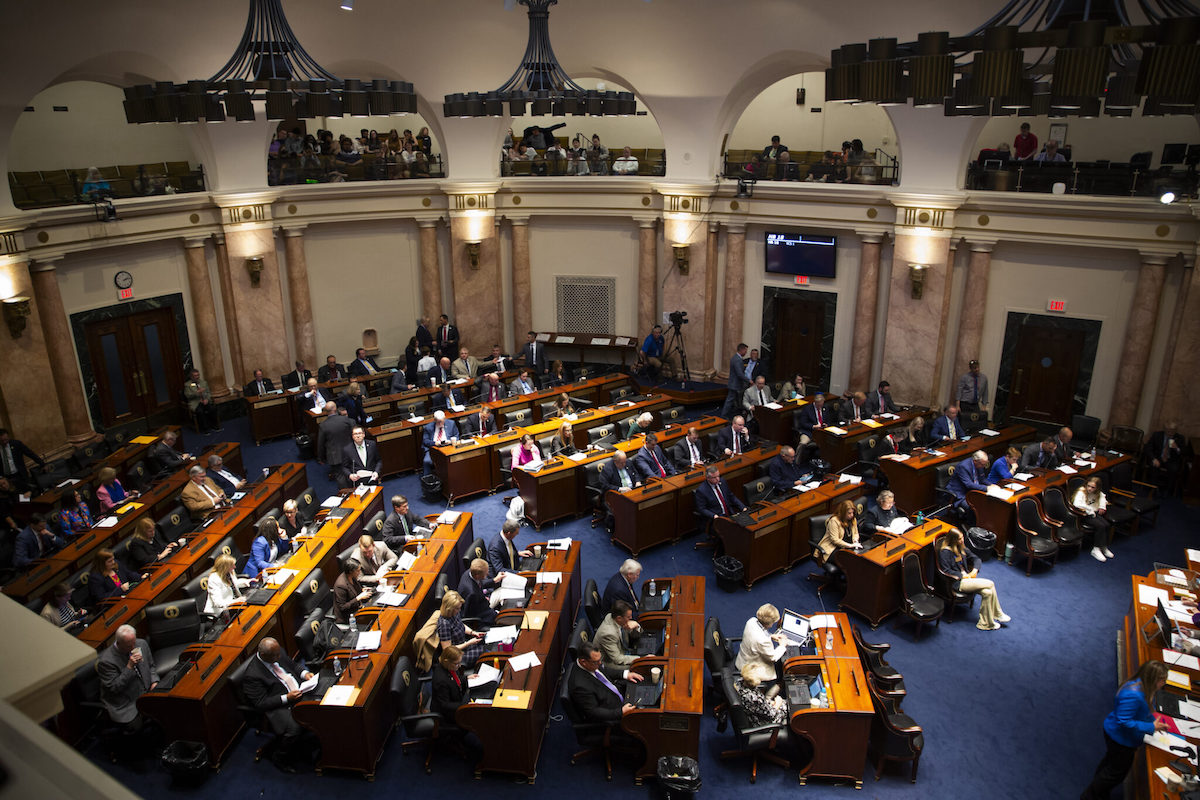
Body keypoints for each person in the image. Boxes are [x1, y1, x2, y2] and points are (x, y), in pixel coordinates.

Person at [1079, 659, 1169, 800]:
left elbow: (1140, 712)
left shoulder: (1141, 685)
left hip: (1119, 736)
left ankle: (1099, 793)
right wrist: (1151, 727)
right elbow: (1123, 720)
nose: (1164, 684)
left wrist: (1153, 722)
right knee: (1114, 774)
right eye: (1162, 680)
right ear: (1153, 679)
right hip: (1120, 739)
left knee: (1110, 766)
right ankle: (1090, 796)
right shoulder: (1134, 695)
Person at [241, 637, 317, 773]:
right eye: (275, 656)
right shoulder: (252, 675)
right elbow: (260, 703)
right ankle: (280, 757)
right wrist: (286, 698)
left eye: (278, 653)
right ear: (263, 655)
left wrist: (305, 674)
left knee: (319, 702)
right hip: (278, 705)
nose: (279, 656)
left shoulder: (277, 652)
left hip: (298, 690)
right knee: (294, 727)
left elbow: (292, 665)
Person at [937, 528, 1009, 630]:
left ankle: (984, 623)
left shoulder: (961, 548)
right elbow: (946, 570)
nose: (962, 540)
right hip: (957, 582)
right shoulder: (945, 552)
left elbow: (976, 559)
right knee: (990, 583)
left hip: (968, 579)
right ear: (953, 539)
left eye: (962, 538)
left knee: (987, 593)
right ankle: (997, 614)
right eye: (959, 539)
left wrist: (974, 570)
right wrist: (962, 576)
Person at [96, 625, 158, 729]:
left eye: (134, 642)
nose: (134, 647)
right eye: (129, 645)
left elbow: (151, 666)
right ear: (119, 643)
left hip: (147, 691)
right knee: (137, 727)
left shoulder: (141, 643)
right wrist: (129, 667)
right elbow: (115, 688)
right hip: (126, 701)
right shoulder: (106, 662)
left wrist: (154, 682)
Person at [568, 642, 644, 723]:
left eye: (600, 659)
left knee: (642, 684)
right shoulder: (580, 686)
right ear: (583, 662)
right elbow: (594, 712)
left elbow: (605, 670)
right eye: (596, 662)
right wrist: (621, 712)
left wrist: (625, 674)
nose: (600, 663)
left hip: (616, 693)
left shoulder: (592, 662)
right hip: (613, 711)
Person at [734, 603, 787, 674]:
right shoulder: (763, 641)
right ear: (769, 624)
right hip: (750, 670)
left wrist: (770, 636)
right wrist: (782, 645)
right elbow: (773, 658)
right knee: (780, 670)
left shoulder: (751, 621)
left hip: (742, 661)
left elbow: (758, 632)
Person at [436, 590, 486, 666]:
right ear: (449, 609)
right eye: (457, 608)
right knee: (485, 651)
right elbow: (448, 650)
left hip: (464, 644)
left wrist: (473, 632)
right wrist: (468, 643)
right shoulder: (444, 625)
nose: (459, 610)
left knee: (486, 640)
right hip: (457, 656)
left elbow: (461, 625)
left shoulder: (454, 613)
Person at [1074, 476, 1117, 563]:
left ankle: (1103, 546)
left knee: (1107, 525)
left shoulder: (1098, 493)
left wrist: (1102, 506)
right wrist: (1089, 510)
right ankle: (1096, 549)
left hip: (1093, 514)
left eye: (1092, 487)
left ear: (1097, 488)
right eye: (1088, 486)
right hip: (1084, 515)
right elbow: (1077, 504)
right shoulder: (1081, 492)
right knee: (1100, 526)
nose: (1089, 489)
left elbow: (1102, 497)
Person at [816, 499, 860, 578]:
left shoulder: (853, 520)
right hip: (832, 549)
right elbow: (835, 540)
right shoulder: (834, 521)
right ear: (843, 512)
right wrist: (850, 545)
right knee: (849, 562)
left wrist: (855, 539)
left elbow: (856, 533)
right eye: (849, 513)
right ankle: (848, 583)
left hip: (847, 546)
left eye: (853, 513)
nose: (852, 515)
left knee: (859, 559)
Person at [1143, 421, 1188, 494]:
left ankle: (1168, 491)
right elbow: (1148, 448)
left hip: (1171, 460)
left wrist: (1177, 448)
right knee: (1153, 466)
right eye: (1168, 431)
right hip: (1158, 458)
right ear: (1164, 430)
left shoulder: (1180, 438)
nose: (1170, 433)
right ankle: (1152, 489)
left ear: (1176, 430)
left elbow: (1185, 452)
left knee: (1174, 469)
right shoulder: (1157, 435)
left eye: (1173, 431)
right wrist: (1153, 459)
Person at [595, 600, 643, 668]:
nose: (631, 618)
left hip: (622, 650)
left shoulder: (614, 618)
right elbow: (618, 659)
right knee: (637, 667)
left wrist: (637, 626)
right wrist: (641, 659)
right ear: (619, 618)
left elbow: (633, 633)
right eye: (628, 617)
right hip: (608, 663)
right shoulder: (608, 634)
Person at [431, 645, 471, 721]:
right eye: (457, 664)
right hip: (447, 714)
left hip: (458, 698)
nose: (459, 666)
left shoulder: (450, 667)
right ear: (446, 661)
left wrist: (466, 678)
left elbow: (457, 679)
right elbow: (445, 705)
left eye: (460, 662)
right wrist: (464, 706)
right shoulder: (441, 681)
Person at [317, 403, 355, 483]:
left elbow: (320, 444)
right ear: (335, 409)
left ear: (326, 411)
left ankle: (345, 493)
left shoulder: (323, 425)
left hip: (334, 456)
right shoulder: (347, 420)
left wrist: (321, 458)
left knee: (340, 477)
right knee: (352, 473)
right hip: (349, 452)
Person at [458, 557, 501, 624]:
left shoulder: (469, 572)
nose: (488, 574)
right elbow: (473, 613)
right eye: (486, 574)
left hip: (480, 601)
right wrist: (495, 614)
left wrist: (494, 580)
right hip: (479, 615)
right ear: (478, 576)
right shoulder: (472, 593)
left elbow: (480, 583)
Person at [333, 558, 373, 623]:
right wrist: (358, 598)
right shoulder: (341, 585)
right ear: (351, 571)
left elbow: (353, 589)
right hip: (348, 617)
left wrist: (362, 590)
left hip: (357, 607)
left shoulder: (352, 576)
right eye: (358, 570)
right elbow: (342, 607)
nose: (360, 572)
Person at [184, 368, 221, 433]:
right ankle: (205, 428)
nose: (197, 377)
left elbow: (208, 393)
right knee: (200, 411)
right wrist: (197, 393)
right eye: (195, 376)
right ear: (191, 376)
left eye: (198, 375)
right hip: (196, 402)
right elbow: (188, 395)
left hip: (205, 401)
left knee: (212, 409)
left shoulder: (203, 383)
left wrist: (207, 399)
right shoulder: (187, 385)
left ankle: (215, 426)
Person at [721, 343, 751, 418]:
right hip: (735, 384)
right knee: (730, 400)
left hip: (734, 383)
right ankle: (723, 416)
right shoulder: (737, 359)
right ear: (742, 349)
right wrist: (749, 380)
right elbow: (739, 374)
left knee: (734, 400)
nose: (746, 352)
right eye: (745, 350)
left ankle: (731, 415)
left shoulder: (736, 358)